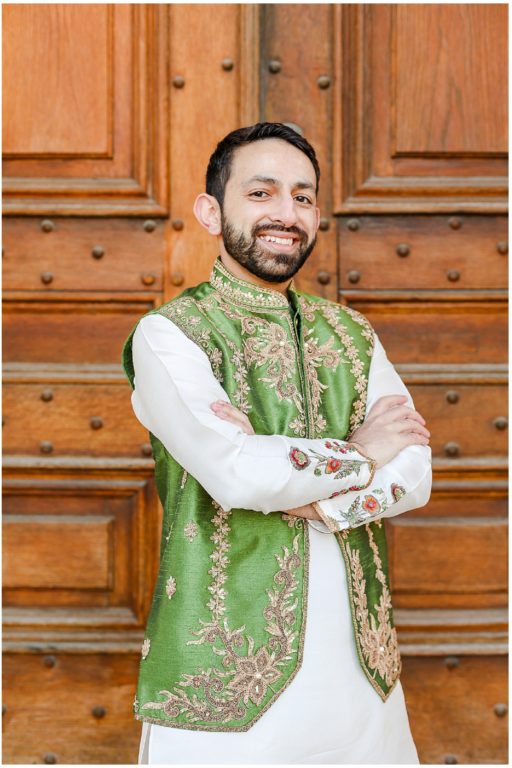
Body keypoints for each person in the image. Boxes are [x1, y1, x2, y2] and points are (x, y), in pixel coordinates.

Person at [123, 123, 431, 764]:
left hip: (361, 675)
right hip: (223, 673)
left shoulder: (350, 333)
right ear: (212, 211)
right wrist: (360, 453)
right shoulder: (171, 336)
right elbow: (237, 473)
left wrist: (322, 503)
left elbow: (416, 469)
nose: (285, 214)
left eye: (302, 196)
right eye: (261, 193)